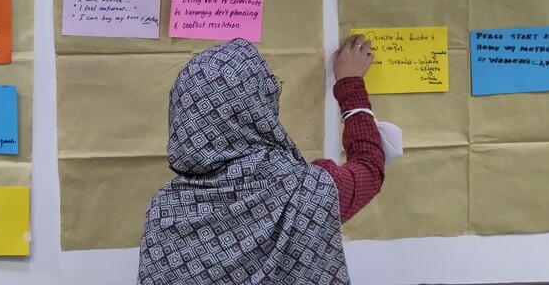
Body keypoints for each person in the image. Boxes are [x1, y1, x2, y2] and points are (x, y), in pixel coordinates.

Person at [137, 35, 384, 284]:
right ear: (259, 108)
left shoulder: (163, 212)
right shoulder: (307, 190)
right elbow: (369, 167)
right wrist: (350, 84)